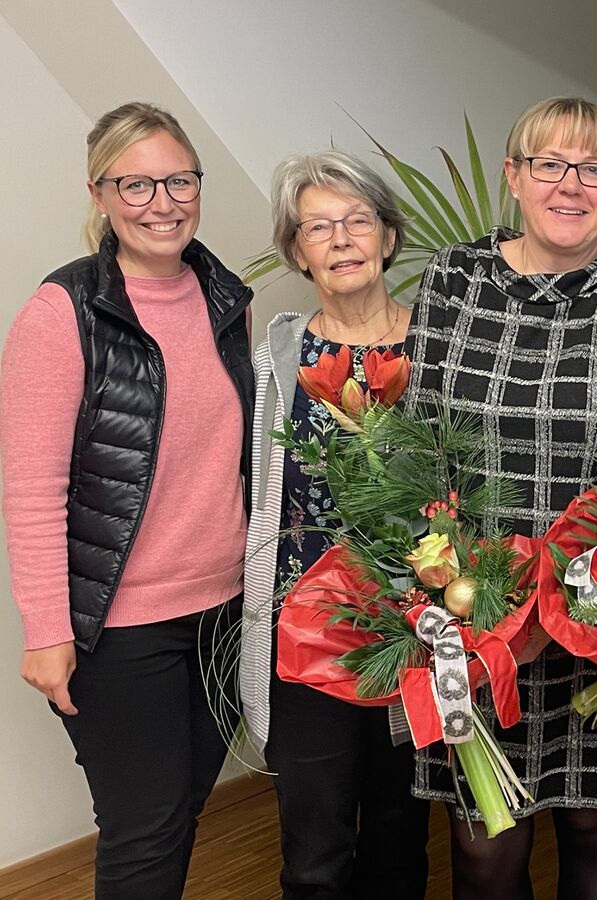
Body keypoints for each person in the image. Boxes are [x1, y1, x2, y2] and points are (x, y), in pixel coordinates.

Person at [405, 96, 597, 900]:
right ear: (515, 176)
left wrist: (556, 607)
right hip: (470, 607)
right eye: (549, 165)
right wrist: (471, 600)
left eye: (593, 168)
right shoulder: (455, 277)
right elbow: (422, 442)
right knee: (485, 842)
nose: (571, 185)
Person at [0, 101, 252, 899]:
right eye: (135, 184)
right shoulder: (63, 311)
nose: (162, 201)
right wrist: (47, 630)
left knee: (176, 813)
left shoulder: (225, 301)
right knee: (144, 830)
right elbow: (31, 486)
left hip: (225, 613)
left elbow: (231, 457)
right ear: (99, 194)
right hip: (118, 623)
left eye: (179, 179)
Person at [239, 149, 430, 899]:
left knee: (398, 840)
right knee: (314, 854)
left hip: (413, 631)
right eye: (320, 226)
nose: (342, 239)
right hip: (303, 635)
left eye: (358, 221)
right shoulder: (278, 357)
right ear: (296, 249)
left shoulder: (436, 351)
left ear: (387, 236)